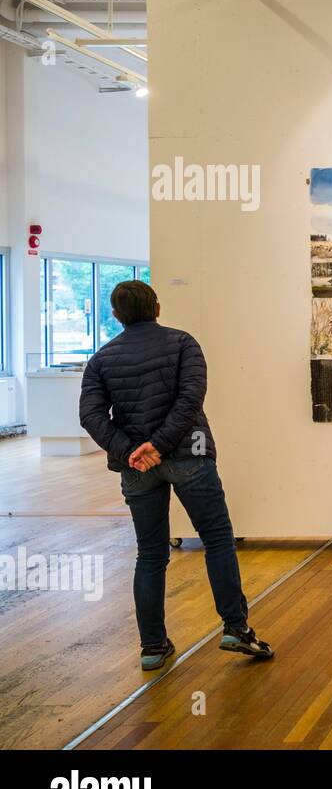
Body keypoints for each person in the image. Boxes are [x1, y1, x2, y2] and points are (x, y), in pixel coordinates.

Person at [79, 281, 274, 670]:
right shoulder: (183, 342)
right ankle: (236, 629)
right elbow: (191, 398)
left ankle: (152, 647)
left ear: (116, 315)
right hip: (191, 454)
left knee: (150, 554)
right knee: (217, 540)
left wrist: (131, 450)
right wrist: (161, 444)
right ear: (157, 307)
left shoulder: (101, 359)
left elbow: (91, 417)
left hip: (137, 467)